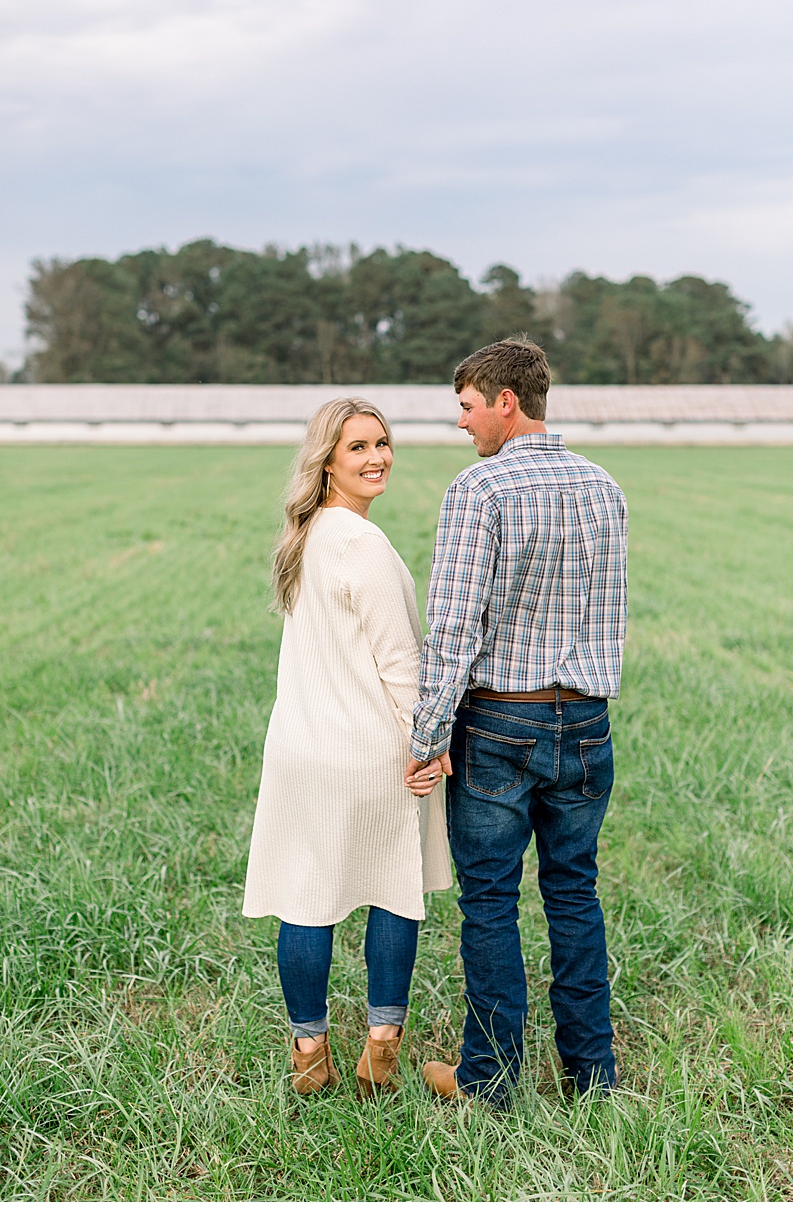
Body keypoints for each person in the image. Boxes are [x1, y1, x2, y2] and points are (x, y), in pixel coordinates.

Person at [403, 337, 628, 1108]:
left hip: (501, 722)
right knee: (574, 892)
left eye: (466, 406)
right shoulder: (606, 487)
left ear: (506, 401)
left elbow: (455, 627)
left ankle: (490, 1079)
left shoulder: (481, 490)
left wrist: (427, 737)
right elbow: (612, 616)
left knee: (491, 899)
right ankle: (591, 1077)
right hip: (587, 724)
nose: (461, 424)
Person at [243, 397, 451, 1097]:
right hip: (368, 752)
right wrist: (429, 744)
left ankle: (309, 1057)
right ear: (327, 459)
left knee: (307, 898)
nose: (376, 458)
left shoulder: (307, 537)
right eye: (358, 446)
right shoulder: (362, 544)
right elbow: (400, 663)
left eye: (383, 443)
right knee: (392, 889)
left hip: (301, 749)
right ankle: (382, 1051)